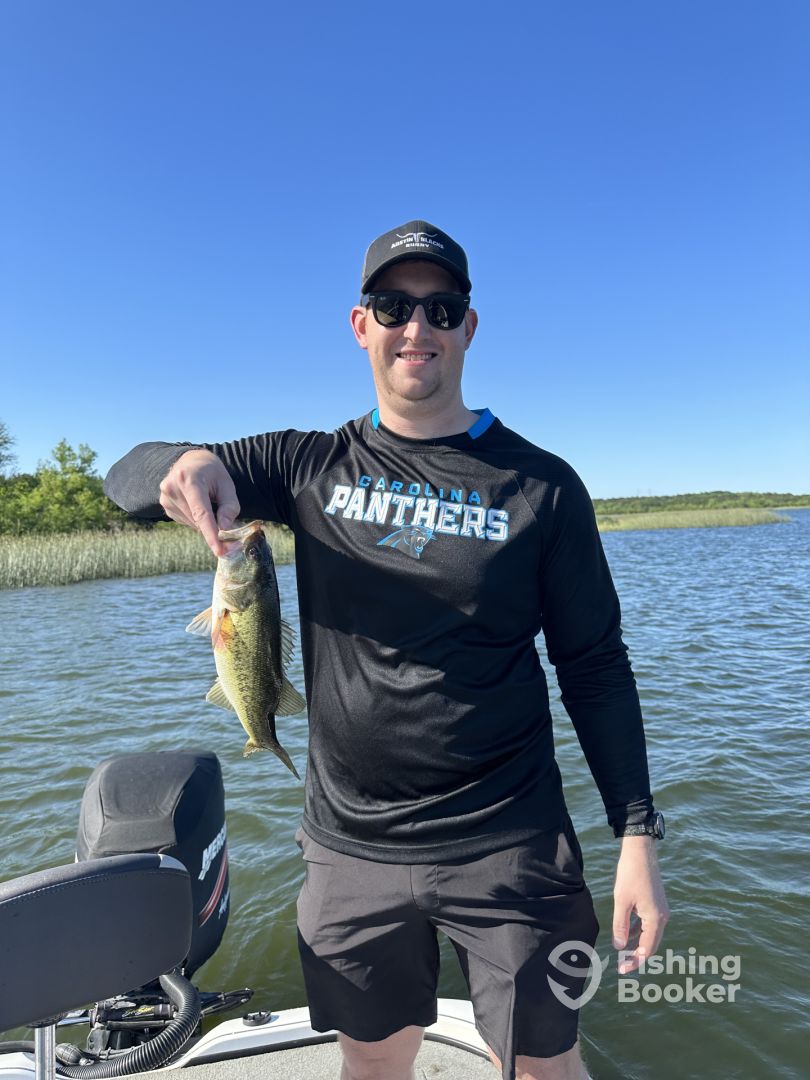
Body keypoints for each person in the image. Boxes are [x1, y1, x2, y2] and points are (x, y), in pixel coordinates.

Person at [105, 220, 669, 1080]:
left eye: (440, 309)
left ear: (468, 327)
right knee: (371, 1064)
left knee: (544, 1066)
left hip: (510, 839)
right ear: (360, 323)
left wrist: (636, 835)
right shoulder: (308, 465)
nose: (417, 327)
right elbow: (125, 481)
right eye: (393, 305)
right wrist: (179, 462)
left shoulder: (542, 486)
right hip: (351, 846)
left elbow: (594, 666)